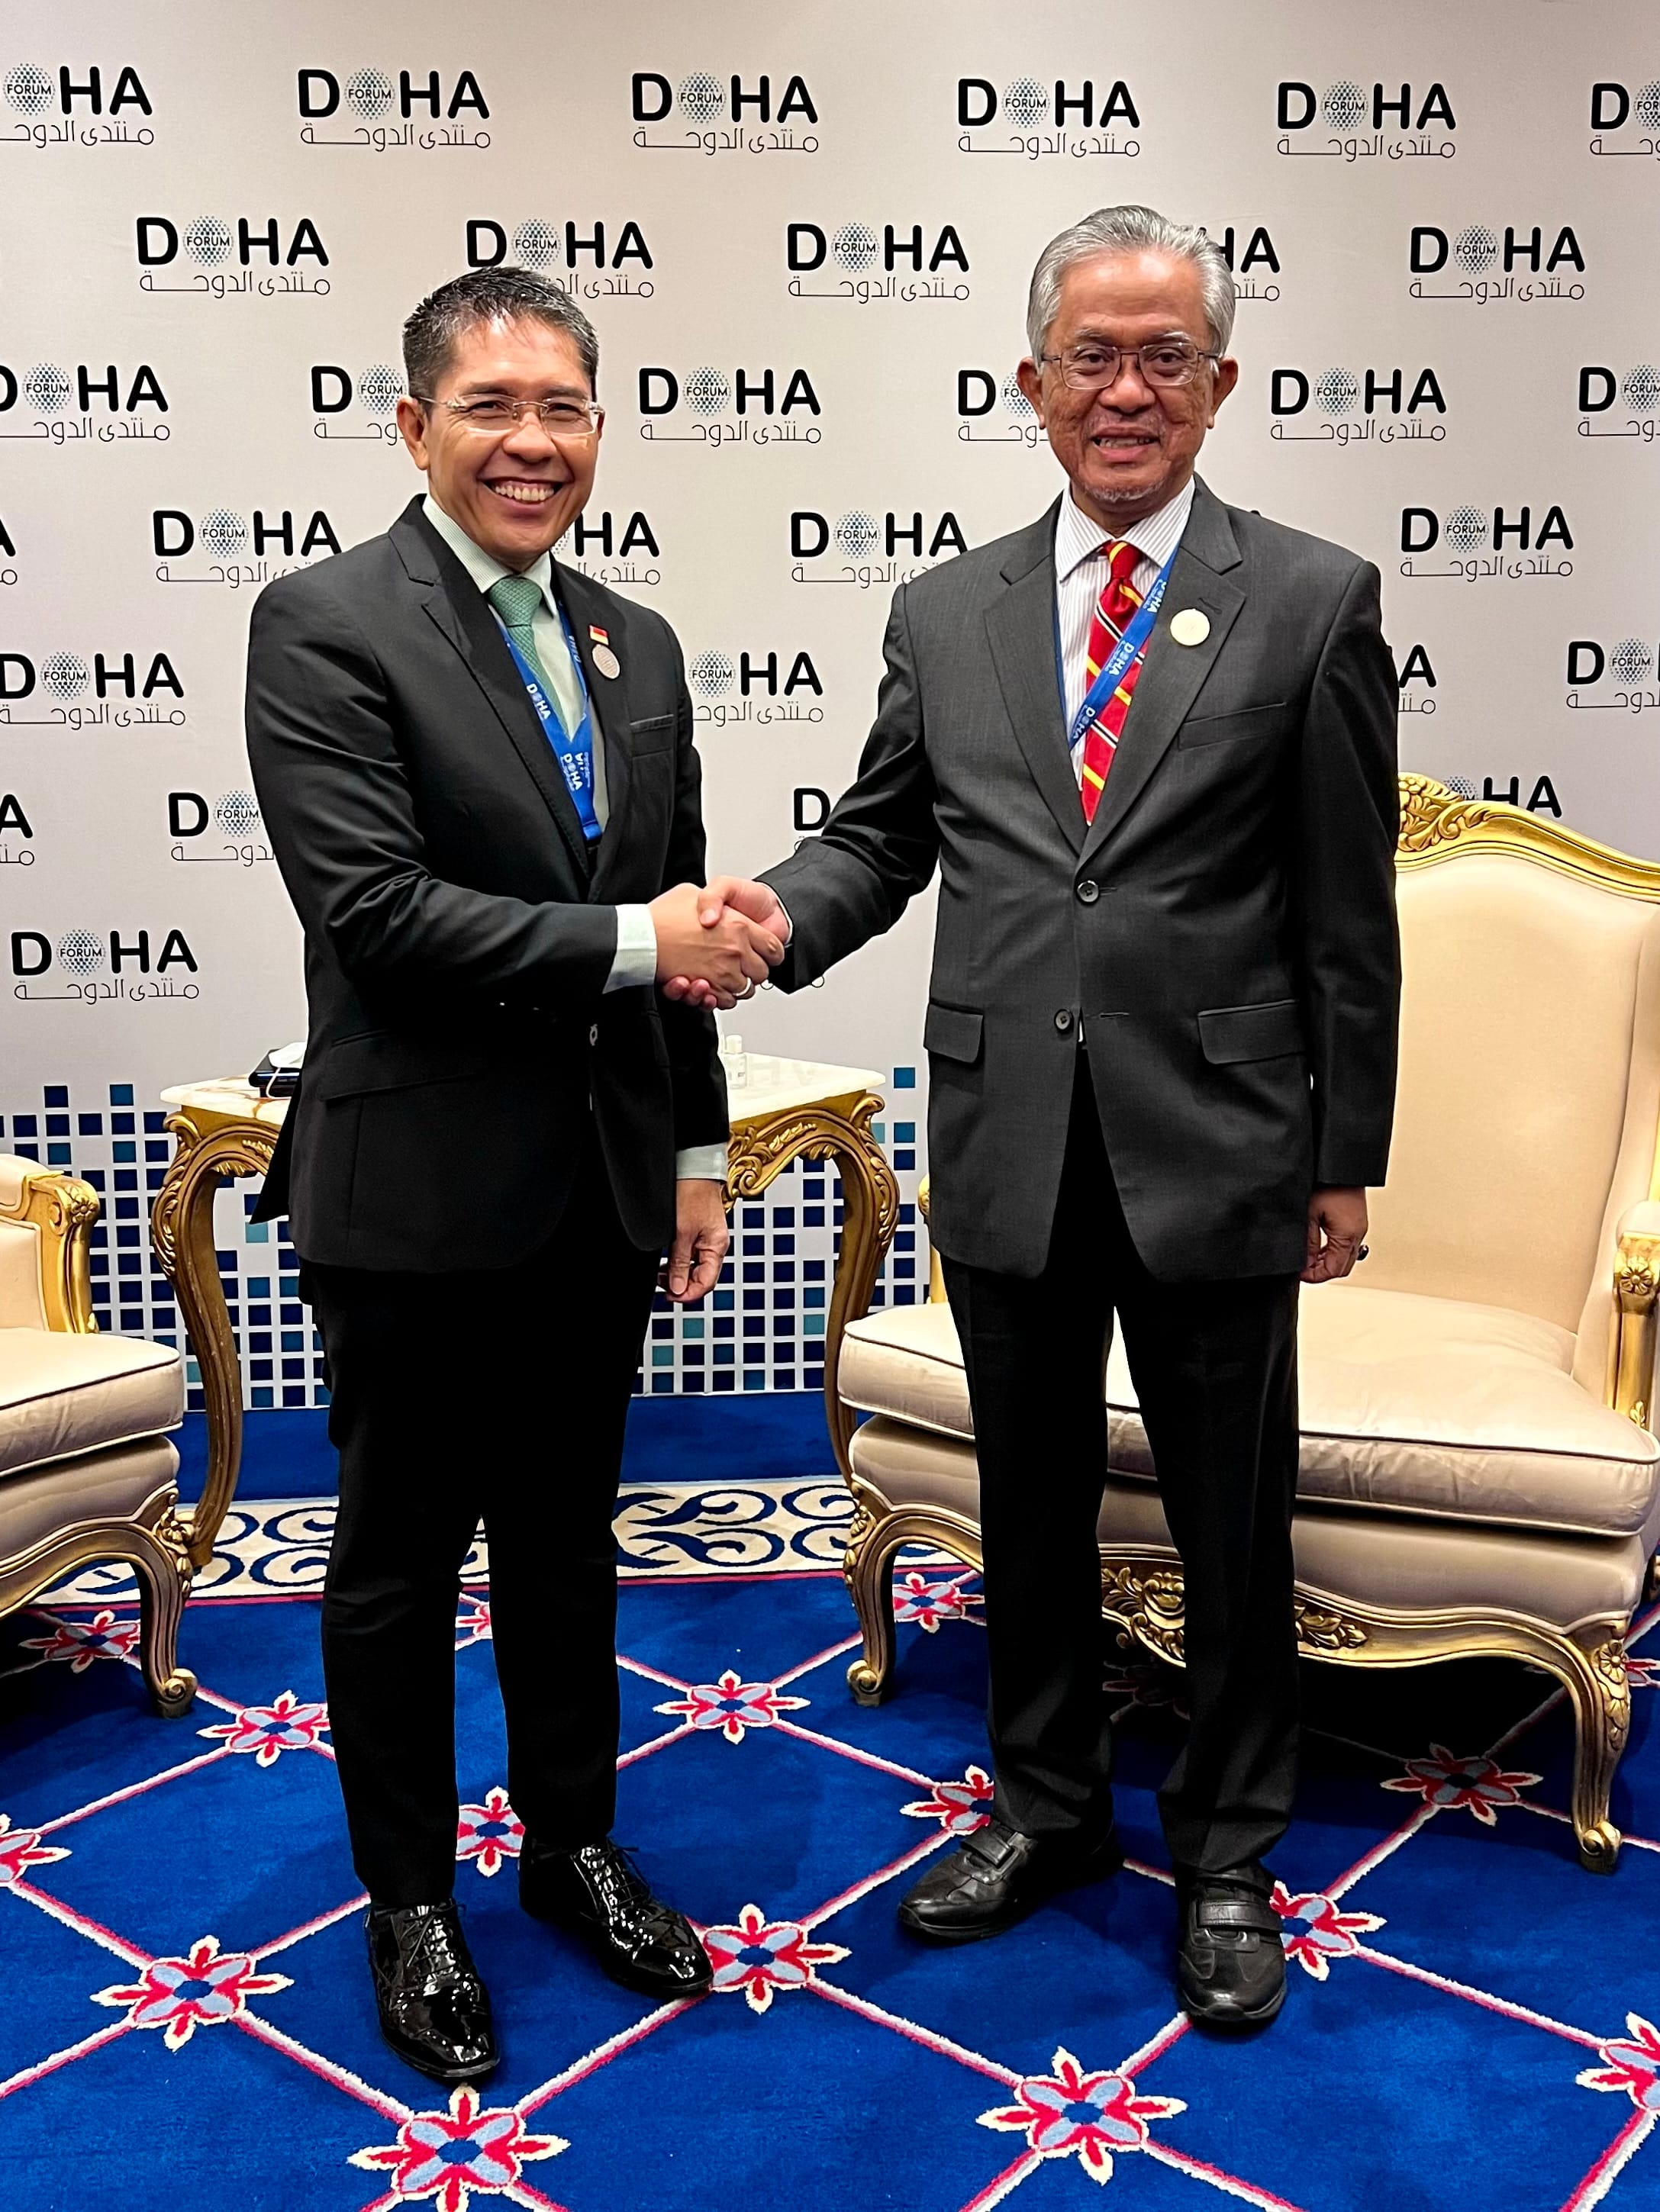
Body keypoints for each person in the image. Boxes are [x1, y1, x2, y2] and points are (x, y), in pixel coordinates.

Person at [672, 206, 1400, 2030]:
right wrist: (774, 918)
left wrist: (1341, 1153)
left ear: (1217, 384)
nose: (1124, 390)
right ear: (1030, 381)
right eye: (1092, 356)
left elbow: (1343, 911)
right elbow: (879, 836)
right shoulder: (948, 609)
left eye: (1163, 358)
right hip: (1011, 1134)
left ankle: (1226, 1854)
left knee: (1228, 1521)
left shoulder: (1309, 598)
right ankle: (1051, 1808)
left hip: (1217, 1142)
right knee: (1032, 1504)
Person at [246, 266, 783, 2083]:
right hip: (415, 1192)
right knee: (397, 1562)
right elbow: (381, 917)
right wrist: (642, 944)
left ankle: (572, 1847)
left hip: (599, 1188)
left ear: (597, 428)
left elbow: (683, 921)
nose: (530, 442)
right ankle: (407, 1898)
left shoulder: (636, 642)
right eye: (490, 407)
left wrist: (693, 1143)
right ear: (415, 427)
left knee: (565, 1546)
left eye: (562, 408)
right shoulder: (325, 623)